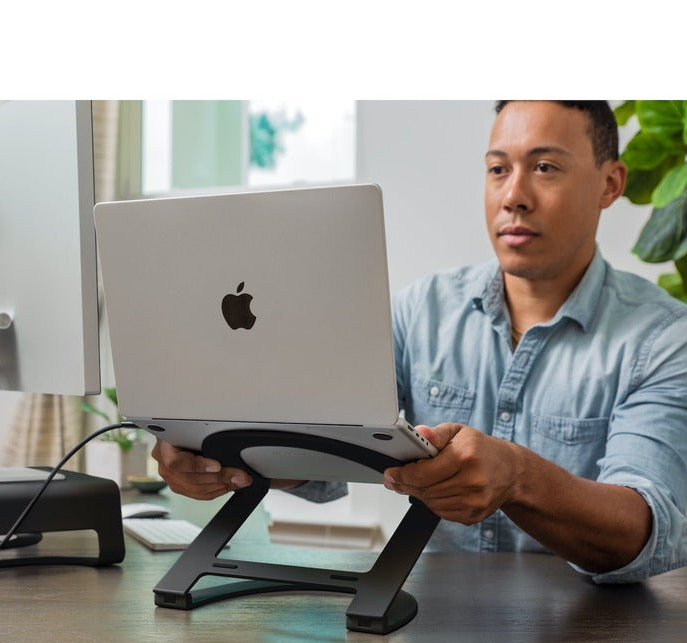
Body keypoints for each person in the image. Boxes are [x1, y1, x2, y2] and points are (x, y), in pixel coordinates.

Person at [153, 100, 687, 583]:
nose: (513, 197)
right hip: (425, 625)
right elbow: (326, 442)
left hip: (594, 637)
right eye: (498, 169)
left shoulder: (663, 338)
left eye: (544, 167)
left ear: (610, 184)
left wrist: (519, 476)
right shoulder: (421, 309)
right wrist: (220, 450)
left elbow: (643, 529)